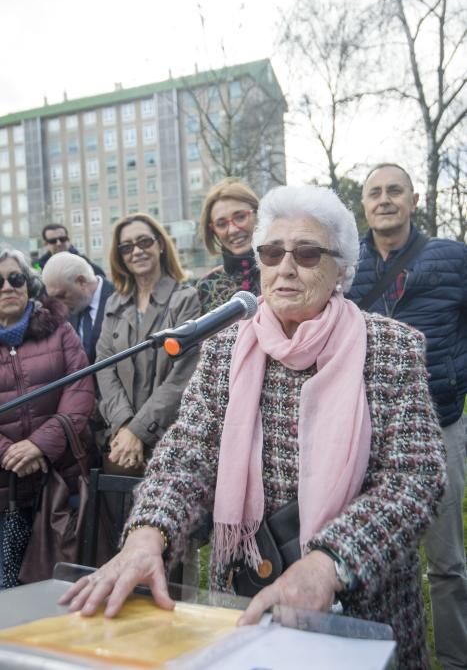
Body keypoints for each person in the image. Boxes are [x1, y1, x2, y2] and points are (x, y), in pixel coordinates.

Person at [61, 185, 446, 668]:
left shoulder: (391, 348)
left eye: (307, 253)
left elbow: (417, 479)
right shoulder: (227, 349)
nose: (286, 266)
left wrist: (328, 564)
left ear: (341, 269)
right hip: (244, 603)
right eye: (271, 252)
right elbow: (186, 455)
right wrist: (146, 534)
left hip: (362, 613)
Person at [346, 163, 467, 670]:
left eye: (394, 190)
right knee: (374, 557)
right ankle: (387, 658)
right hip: (367, 431)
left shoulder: (454, 258)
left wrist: (456, 374)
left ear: (413, 199)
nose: (384, 200)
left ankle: (455, 658)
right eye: (375, 193)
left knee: (447, 563)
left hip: (440, 421)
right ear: (364, 205)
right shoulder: (346, 263)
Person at [0, 248, 95, 587]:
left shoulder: (59, 330)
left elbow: (80, 393)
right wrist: (10, 453)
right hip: (6, 489)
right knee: (7, 591)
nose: (7, 287)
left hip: (60, 481)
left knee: (62, 586)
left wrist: (38, 446)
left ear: (29, 283)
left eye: (16, 278)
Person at [94, 212, 201, 475]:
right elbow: (104, 367)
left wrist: (138, 431)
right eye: (127, 247)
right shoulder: (114, 305)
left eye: (145, 242)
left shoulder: (186, 299)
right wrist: (123, 427)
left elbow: (184, 376)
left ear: (161, 245)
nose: (137, 251)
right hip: (121, 445)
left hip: (169, 442)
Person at [196, 178, 261, 313]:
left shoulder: (281, 272)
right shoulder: (207, 286)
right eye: (221, 224)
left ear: (258, 214)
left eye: (240, 217)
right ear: (213, 230)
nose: (233, 230)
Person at [42, 252, 115, 363]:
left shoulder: (120, 300)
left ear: (81, 282)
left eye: (61, 296)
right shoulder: (65, 313)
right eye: (54, 299)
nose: (59, 304)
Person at [36, 223, 106, 278]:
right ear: (46, 244)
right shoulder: (39, 267)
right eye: (53, 241)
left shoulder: (84, 263)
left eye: (62, 239)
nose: (59, 243)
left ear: (68, 240)